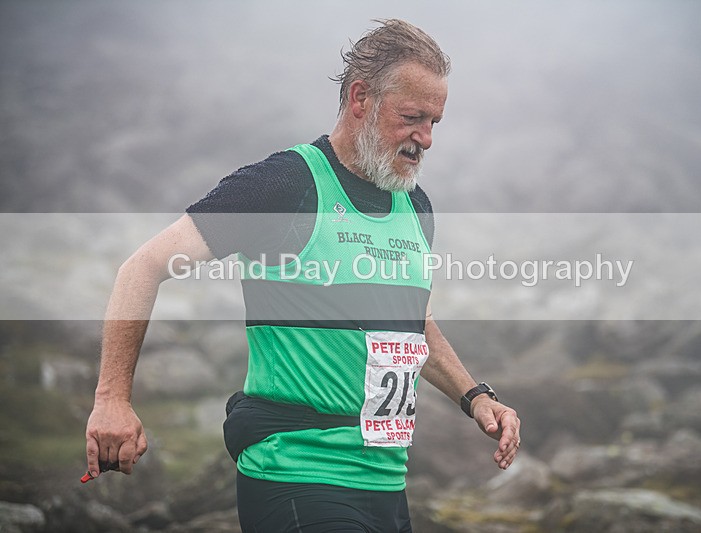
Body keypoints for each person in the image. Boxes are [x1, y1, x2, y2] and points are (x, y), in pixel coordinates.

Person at [85, 19, 521, 532]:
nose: (425, 138)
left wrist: (476, 398)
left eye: (435, 123)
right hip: (296, 476)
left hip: (386, 482)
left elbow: (411, 322)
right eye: (412, 117)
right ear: (361, 98)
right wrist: (112, 400)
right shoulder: (285, 185)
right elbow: (142, 267)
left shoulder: (416, 206)